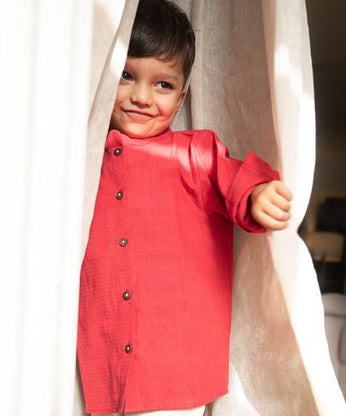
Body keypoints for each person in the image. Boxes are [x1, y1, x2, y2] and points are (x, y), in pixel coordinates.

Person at [78, 0, 292, 415]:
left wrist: (258, 193)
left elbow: (234, 179)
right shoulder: (85, 157)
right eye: (126, 76)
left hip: (174, 366)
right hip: (103, 363)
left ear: (180, 99)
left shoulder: (193, 153)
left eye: (163, 85)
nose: (141, 96)